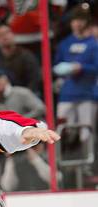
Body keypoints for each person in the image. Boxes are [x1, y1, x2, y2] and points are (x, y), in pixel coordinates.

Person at [54, 4, 98, 145]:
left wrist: (81, 68)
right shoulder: (65, 44)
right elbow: (55, 66)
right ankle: (63, 160)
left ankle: (87, 162)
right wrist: (60, 72)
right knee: (62, 129)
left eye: (81, 20)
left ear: (87, 22)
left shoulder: (93, 44)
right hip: (67, 94)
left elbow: (96, 67)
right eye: (75, 20)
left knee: (86, 131)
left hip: (87, 94)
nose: (78, 23)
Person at [0, 24, 41, 94]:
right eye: (0, 35)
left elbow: (35, 81)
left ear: (13, 35)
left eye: (7, 33)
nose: (4, 37)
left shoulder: (26, 56)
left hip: (26, 95)